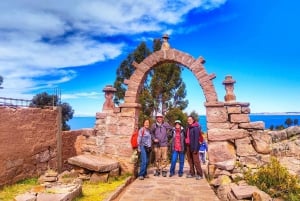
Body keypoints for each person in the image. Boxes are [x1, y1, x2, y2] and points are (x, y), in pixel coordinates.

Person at [151, 112, 172, 177]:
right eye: (158, 117)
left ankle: (164, 170)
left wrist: (168, 136)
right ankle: (157, 170)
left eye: (160, 117)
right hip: (157, 145)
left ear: (162, 118)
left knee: (164, 158)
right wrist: (154, 139)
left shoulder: (165, 124)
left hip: (164, 144)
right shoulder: (154, 125)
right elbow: (151, 133)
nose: (159, 118)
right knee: (157, 158)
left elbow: (171, 129)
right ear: (156, 118)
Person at [185, 115, 203, 180]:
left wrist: (195, 149)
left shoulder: (195, 128)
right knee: (190, 160)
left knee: (196, 161)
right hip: (188, 146)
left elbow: (196, 139)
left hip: (194, 146)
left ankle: (200, 174)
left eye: (190, 120)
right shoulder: (188, 127)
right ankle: (192, 173)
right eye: (188, 120)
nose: (189, 121)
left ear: (193, 120)